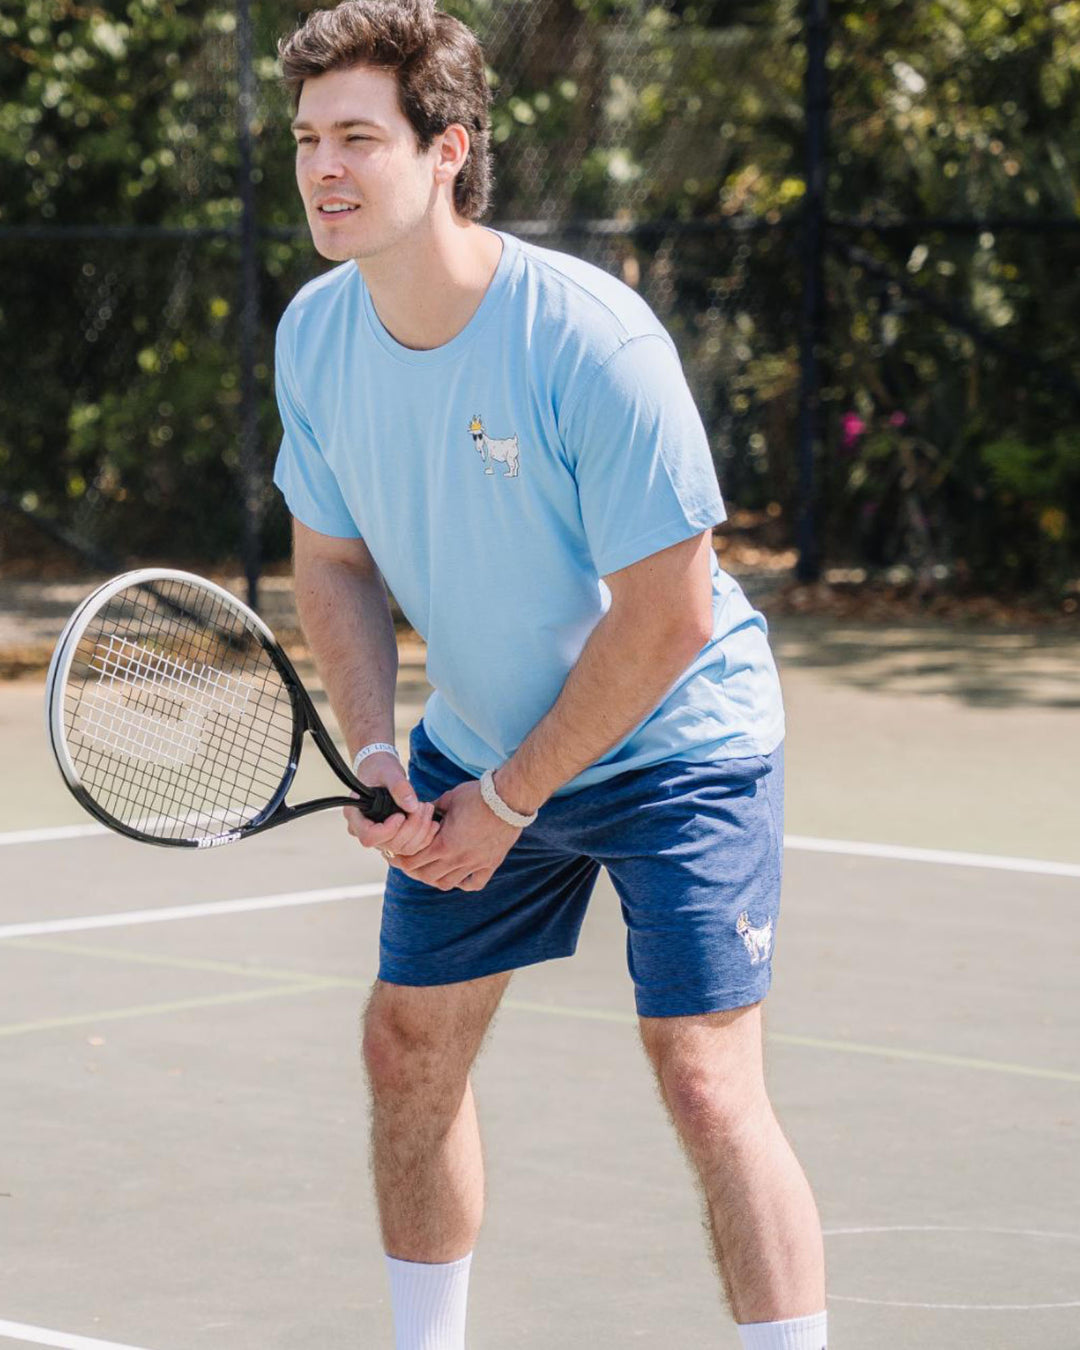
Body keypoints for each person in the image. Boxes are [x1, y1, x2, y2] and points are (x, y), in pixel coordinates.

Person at [273, 3, 827, 1347]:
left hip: (676, 735)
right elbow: (333, 564)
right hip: (481, 734)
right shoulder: (315, 335)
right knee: (405, 1051)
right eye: (305, 140)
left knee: (703, 1078)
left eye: (358, 137)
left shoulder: (590, 338)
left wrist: (510, 804)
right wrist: (377, 746)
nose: (322, 169)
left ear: (448, 148)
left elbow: (672, 617)